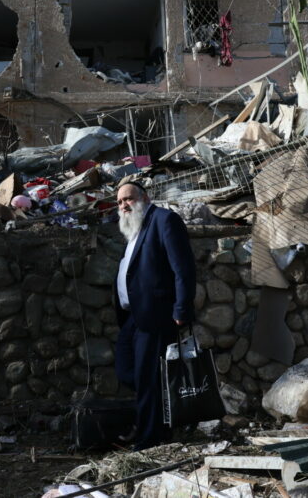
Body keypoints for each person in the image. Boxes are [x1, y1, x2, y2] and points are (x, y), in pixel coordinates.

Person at [112, 181, 196, 450]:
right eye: (120, 202)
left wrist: (182, 308)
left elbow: (183, 268)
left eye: (129, 198)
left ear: (144, 197)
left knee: (148, 378)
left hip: (157, 315)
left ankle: (151, 437)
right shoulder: (134, 229)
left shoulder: (164, 220)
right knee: (128, 371)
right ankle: (153, 422)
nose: (124, 205)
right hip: (135, 317)